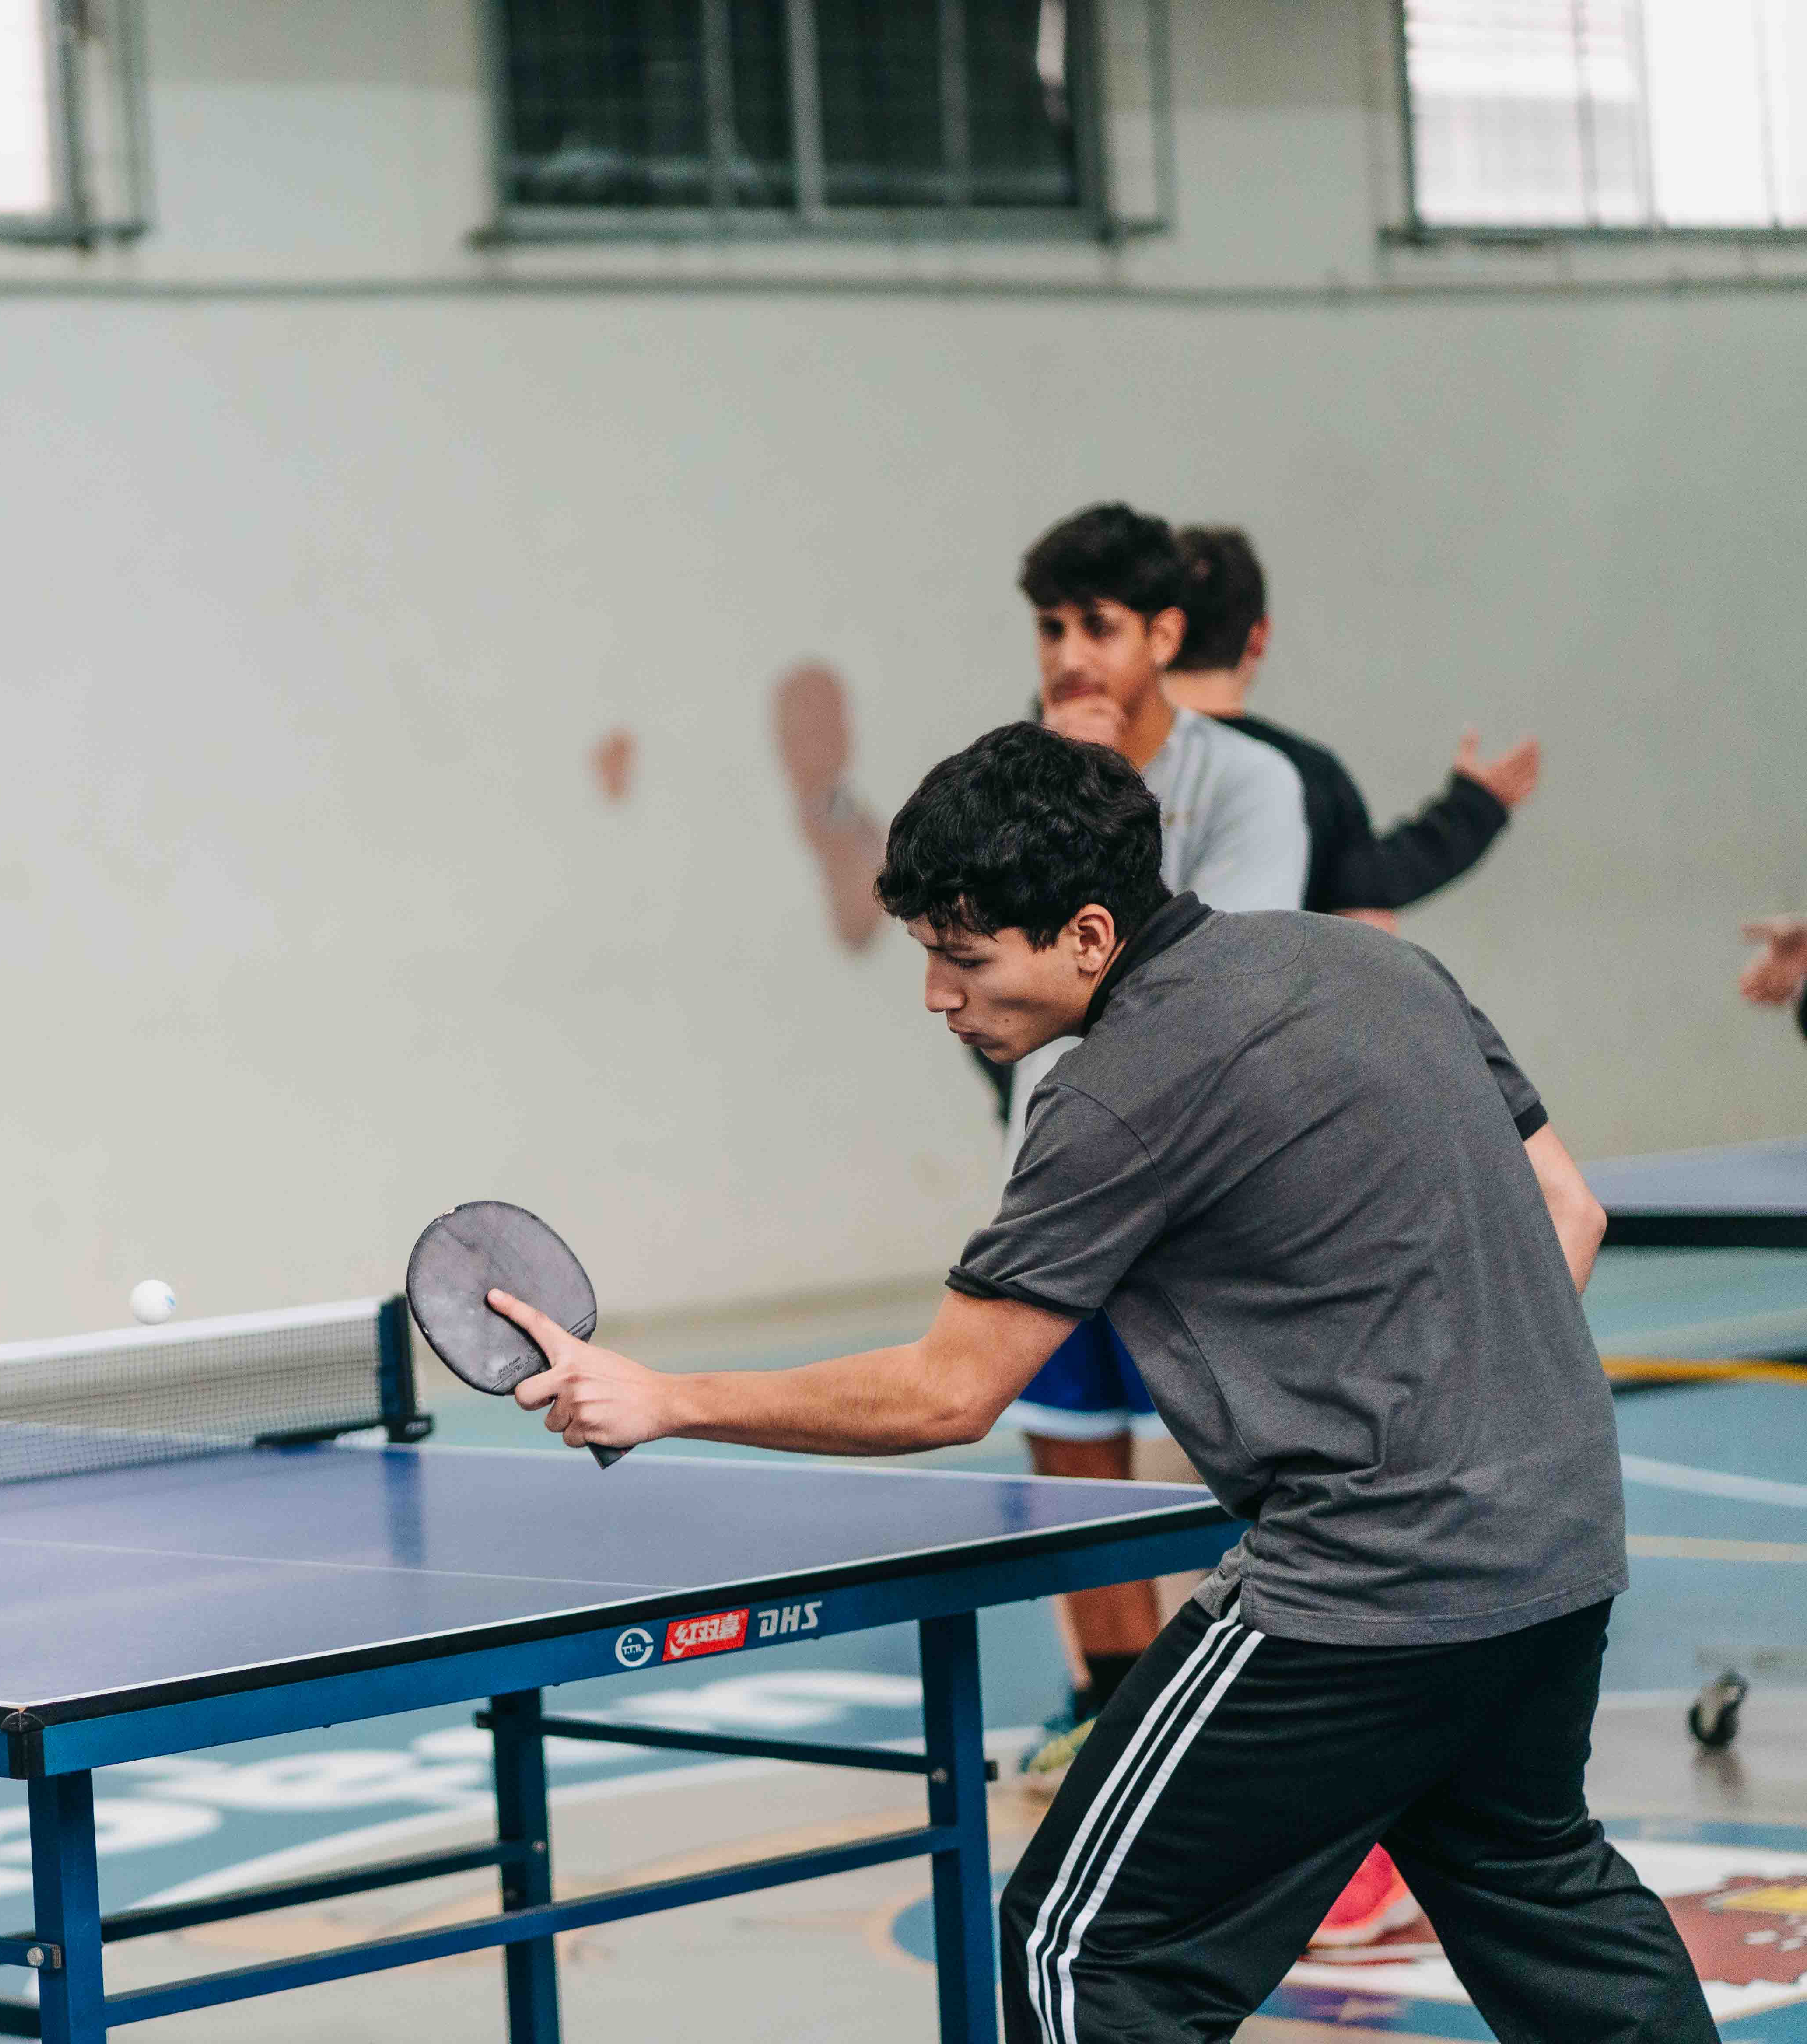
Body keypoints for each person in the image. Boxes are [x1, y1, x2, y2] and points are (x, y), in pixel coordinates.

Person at [497, 723, 1710, 2042]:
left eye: (964, 958)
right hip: (1558, 1538)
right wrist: (1452, 1402)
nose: (936, 996)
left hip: (1366, 1583)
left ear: (1086, 935)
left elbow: (947, 1392)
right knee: (1538, 1891)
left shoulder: (1115, 1093)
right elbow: (1570, 1208)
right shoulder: (1377, 964)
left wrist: (667, 1397)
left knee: (1081, 1955)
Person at [999, 504, 1310, 1772]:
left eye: (1100, 626)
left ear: (1165, 635)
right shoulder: (1013, 782)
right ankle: (1110, 1711)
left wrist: (1096, 804)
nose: (1070, 654)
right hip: (1066, 1166)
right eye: (1051, 628)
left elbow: (1207, 985)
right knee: (1071, 1449)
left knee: (1253, 1462)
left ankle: (1264, 1723)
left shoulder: (1252, 783)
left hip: (1212, 1190)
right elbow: (998, 968)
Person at [1163, 526, 1540, 932]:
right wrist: (1472, 810)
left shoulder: (1118, 752)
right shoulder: (1309, 777)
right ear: (1260, 636)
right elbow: (1365, 905)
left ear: (1159, 633)